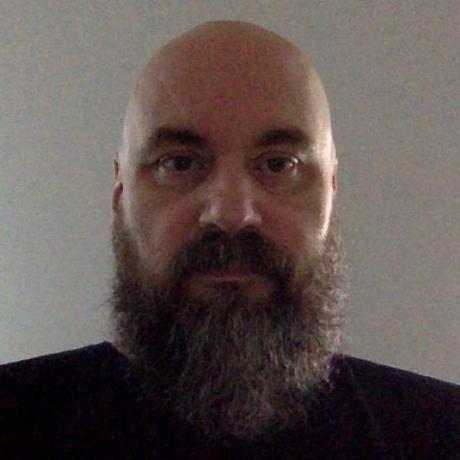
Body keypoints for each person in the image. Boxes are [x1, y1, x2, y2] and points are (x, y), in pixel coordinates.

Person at [1, 20, 458, 458]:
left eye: (279, 164)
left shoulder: (440, 434)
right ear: (120, 195)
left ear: (331, 191)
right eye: (179, 163)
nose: (232, 214)